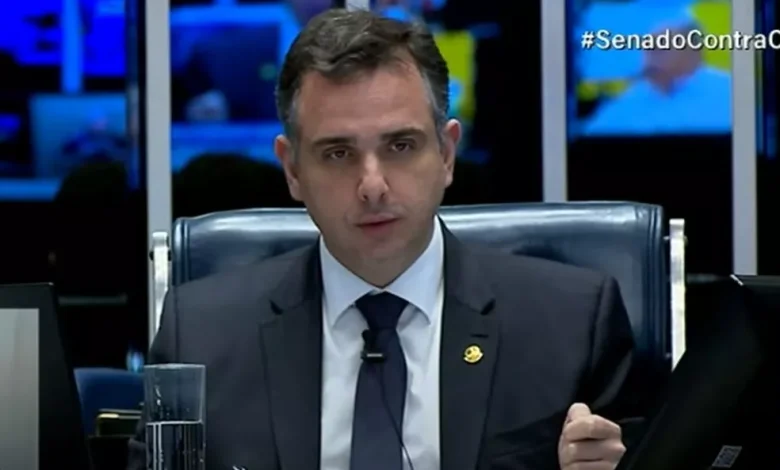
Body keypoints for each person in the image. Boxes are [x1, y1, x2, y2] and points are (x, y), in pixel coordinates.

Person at [128, 9, 639, 470]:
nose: (372, 186)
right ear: (292, 170)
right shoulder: (200, 336)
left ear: (446, 154)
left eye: (400, 145)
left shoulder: (571, 325)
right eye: (338, 153)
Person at [584, 20, 731, 135]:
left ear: (692, 53)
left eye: (660, 48)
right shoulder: (627, 102)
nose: (649, 58)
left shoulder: (728, 93)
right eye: (647, 49)